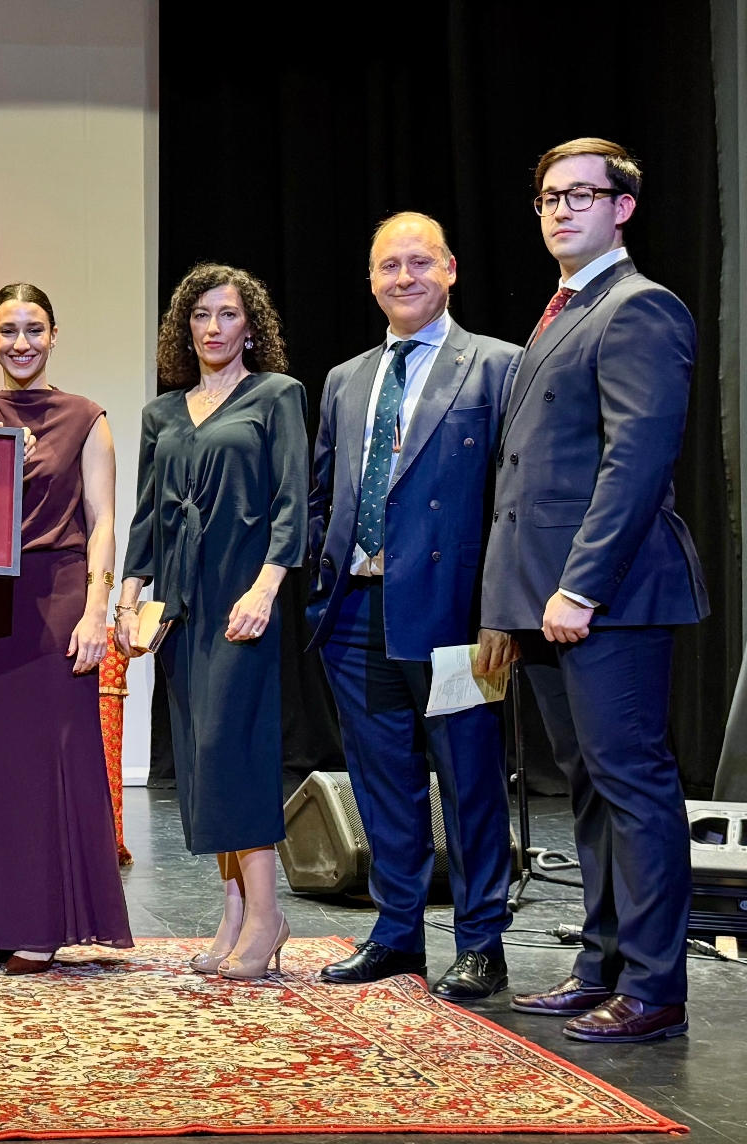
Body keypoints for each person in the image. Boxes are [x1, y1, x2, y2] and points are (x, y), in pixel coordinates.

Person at [483, 139, 707, 1043]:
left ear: (624, 208)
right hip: (544, 601)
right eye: (548, 198)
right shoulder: (561, 311)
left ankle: (655, 988)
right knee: (586, 784)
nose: (562, 210)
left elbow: (635, 464)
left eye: (583, 195)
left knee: (633, 784)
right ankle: (601, 965)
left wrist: (581, 586)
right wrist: (513, 602)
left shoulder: (640, 307)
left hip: (606, 596)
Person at [306, 213, 522, 1001]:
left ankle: (482, 944)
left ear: (452, 269)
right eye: (389, 266)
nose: (405, 277)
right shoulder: (346, 378)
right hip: (357, 616)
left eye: (419, 263)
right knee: (383, 786)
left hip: (457, 620)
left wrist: (503, 612)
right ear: (370, 281)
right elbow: (325, 491)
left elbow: (514, 500)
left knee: (467, 784)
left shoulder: (499, 367)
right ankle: (398, 935)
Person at [115, 263, 307, 980]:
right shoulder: (162, 414)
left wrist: (265, 588)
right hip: (181, 609)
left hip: (242, 597)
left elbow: (291, 500)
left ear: (250, 327)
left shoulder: (276, 396)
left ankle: (268, 913)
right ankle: (233, 911)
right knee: (201, 758)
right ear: (184, 326)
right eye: (201, 315)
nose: (213, 327)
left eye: (228, 315)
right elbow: (147, 515)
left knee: (236, 752)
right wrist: (129, 596)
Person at [0, 283, 134, 973]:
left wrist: (97, 606)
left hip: (59, 595)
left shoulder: (87, 416)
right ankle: (3, 919)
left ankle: (47, 925)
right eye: (8, 330)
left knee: (57, 756)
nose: (21, 342)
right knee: (0, 766)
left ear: (54, 334)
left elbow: (103, 518)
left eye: (34, 329)